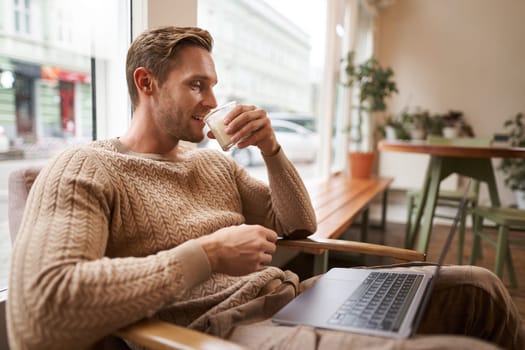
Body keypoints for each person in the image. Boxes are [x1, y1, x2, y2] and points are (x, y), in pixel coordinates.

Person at [6, 26, 523, 350]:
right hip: (221, 331)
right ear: (146, 84)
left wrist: (272, 149)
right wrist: (206, 254)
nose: (213, 100)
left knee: (482, 287)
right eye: (196, 85)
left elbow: (297, 223)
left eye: (213, 84)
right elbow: (43, 314)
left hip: (294, 298)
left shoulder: (212, 164)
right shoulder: (87, 167)